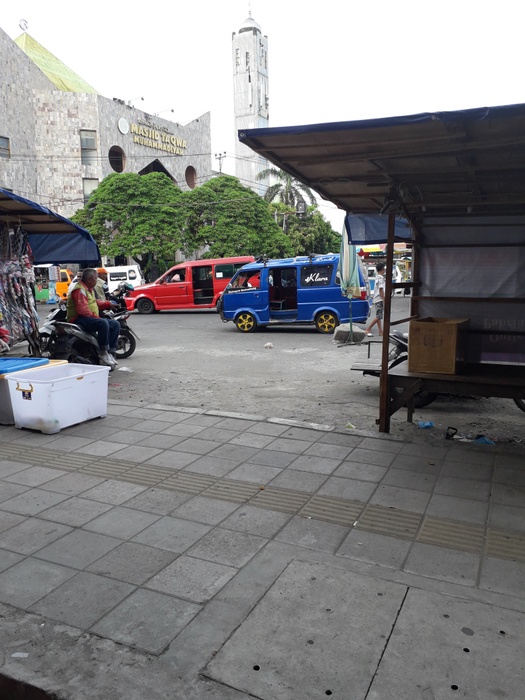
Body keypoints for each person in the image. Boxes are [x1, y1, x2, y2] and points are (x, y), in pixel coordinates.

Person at [66, 268, 120, 367]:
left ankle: (110, 353)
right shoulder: (80, 290)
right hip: (78, 318)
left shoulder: (88, 289)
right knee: (103, 323)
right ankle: (103, 352)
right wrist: (96, 318)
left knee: (115, 324)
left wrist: (108, 304)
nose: (97, 280)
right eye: (95, 278)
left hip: (87, 317)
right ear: (89, 279)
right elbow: (82, 310)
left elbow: (94, 302)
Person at [364, 262, 386, 337]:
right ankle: (368, 329)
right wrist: (384, 299)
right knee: (379, 316)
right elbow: (381, 290)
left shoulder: (377, 277)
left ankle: (380, 331)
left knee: (378, 315)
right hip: (379, 299)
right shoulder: (381, 278)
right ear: (382, 269)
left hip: (376, 298)